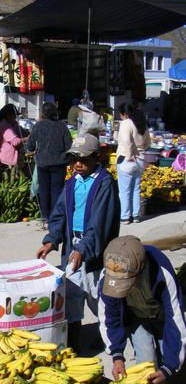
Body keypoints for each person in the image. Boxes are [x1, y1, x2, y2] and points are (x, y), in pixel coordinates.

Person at [36, 134, 120, 347]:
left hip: (93, 249)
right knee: (72, 295)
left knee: (97, 296)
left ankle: (111, 340)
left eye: (84, 159)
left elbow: (100, 224)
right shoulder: (71, 183)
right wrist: (51, 240)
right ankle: (73, 342)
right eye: (74, 159)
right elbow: (60, 214)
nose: (78, 164)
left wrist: (83, 249)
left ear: (97, 157)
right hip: (72, 246)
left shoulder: (105, 184)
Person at [98, 235, 186, 384]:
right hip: (136, 316)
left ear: (141, 269)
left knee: (174, 360)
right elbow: (109, 318)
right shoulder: (108, 276)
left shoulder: (162, 272)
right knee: (146, 366)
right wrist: (117, 355)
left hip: (163, 315)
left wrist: (169, 367)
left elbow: (176, 319)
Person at [26, 101, 72, 229]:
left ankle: (45, 217)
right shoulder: (62, 126)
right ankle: (55, 218)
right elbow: (69, 145)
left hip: (43, 163)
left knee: (44, 190)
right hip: (59, 163)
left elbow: (30, 145)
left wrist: (33, 150)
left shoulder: (38, 126)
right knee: (57, 190)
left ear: (43, 113)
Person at [116, 103, 151, 225]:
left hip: (127, 159)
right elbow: (148, 142)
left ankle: (125, 216)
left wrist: (130, 154)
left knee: (124, 190)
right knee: (136, 189)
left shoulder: (126, 123)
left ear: (124, 114)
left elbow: (126, 140)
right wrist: (140, 150)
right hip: (141, 159)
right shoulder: (142, 124)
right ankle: (136, 215)